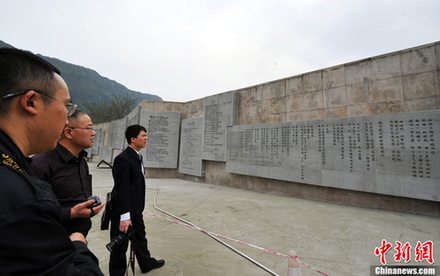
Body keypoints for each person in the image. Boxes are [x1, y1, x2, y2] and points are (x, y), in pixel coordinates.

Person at [0, 47, 103, 275]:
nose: (66, 117)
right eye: (66, 106)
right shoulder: (23, 194)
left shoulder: (16, 169)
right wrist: (77, 244)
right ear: (32, 102)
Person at [31, 109, 105, 237]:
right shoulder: (40, 165)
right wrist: (71, 213)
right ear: (69, 132)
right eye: (89, 129)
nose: (93, 133)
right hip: (52, 243)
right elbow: (31, 212)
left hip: (78, 241)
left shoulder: (81, 160)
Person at [109, 125, 165, 275]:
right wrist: (125, 217)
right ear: (133, 139)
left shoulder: (137, 156)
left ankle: (146, 263)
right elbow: (122, 189)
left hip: (135, 209)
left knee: (140, 236)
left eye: (146, 135)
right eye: (143, 136)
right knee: (120, 246)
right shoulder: (123, 159)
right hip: (123, 211)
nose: (146, 138)